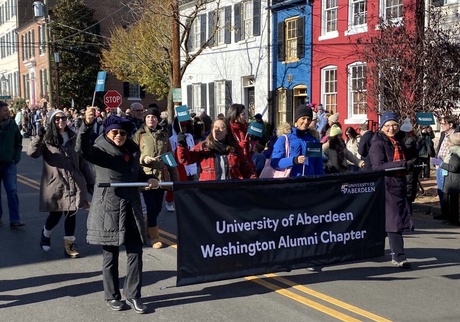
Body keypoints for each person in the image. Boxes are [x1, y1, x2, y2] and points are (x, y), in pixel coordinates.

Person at [76, 108, 159, 314]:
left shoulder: (132, 149)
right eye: (115, 132)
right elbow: (82, 149)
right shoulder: (100, 149)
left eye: (122, 133)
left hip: (131, 205)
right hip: (108, 207)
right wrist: (86, 125)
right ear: (108, 132)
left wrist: (148, 178)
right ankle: (112, 296)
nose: (119, 136)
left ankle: (133, 295)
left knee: (135, 251)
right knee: (110, 254)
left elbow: (136, 172)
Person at [27, 109, 94, 258]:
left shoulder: (73, 136)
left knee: (71, 213)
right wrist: (39, 135)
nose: (60, 121)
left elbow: (82, 161)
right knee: (55, 215)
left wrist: (90, 181)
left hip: (74, 182)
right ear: (51, 121)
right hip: (56, 183)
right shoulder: (46, 139)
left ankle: (69, 246)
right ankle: (45, 234)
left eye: (63, 118)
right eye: (56, 119)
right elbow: (32, 153)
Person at [368, 111, 416, 269]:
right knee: (394, 221)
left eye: (394, 125)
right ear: (382, 127)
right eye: (387, 125)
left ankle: (371, 249)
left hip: (399, 183)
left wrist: (414, 148)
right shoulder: (377, 143)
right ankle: (399, 256)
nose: (391, 128)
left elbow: (406, 157)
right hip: (386, 185)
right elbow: (377, 166)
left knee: (387, 220)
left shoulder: (397, 141)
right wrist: (402, 164)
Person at [133, 107, 179, 249]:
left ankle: (148, 225)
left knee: (158, 206)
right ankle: (154, 236)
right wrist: (144, 158)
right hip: (146, 175)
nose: (150, 119)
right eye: (148, 117)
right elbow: (133, 154)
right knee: (151, 206)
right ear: (144, 120)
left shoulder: (164, 136)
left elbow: (170, 158)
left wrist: (175, 180)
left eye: (153, 117)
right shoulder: (139, 135)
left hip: (161, 177)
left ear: (158, 119)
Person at [176, 117, 257, 180]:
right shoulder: (203, 147)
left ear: (227, 131)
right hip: (209, 194)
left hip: (231, 193)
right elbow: (185, 159)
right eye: (214, 127)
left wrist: (254, 186)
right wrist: (182, 145)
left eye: (221, 127)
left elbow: (247, 170)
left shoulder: (236, 149)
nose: (216, 130)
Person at [270, 105, 324, 176]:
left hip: (309, 184)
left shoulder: (313, 140)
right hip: (290, 184)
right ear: (297, 119)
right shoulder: (284, 139)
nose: (306, 122)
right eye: (303, 118)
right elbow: (275, 163)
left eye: (309, 119)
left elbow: (318, 166)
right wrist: (294, 160)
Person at [0, 101, 24, 228]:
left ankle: (15, 219)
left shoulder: (12, 125)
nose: (7, 113)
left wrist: (16, 157)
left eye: (7, 110)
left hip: (9, 164)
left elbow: (18, 143)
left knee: (12, 191)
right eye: (4, 111)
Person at [166, 117, 198, 209]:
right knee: (176, 184)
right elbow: (170, 153)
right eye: (181, 126)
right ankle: (169, 201)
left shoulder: (190, 136)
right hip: (179, 166)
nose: (183, 128)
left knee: (190, 184)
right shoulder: (172, 139)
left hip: (190, 165)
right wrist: (171, 167)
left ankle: (188, 202)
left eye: (185, 126)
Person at [434, 115, 458, 220]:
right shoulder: (444, 134)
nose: (442, 125)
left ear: (451, 124)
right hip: (439, 165)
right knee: (440, 189)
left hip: (447, 166)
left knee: (447, 191)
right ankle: (444, 212)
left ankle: (449, 214)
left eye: (443, 124)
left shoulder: (456, 136)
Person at [439, 133, 460, 225]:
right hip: (451, 180)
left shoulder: (456, 154)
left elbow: (454, 167)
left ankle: (454, 220)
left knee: (454, 202)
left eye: (449, 141)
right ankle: (450, 218)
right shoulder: (453, 152)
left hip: (454, 181)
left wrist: (441, 164)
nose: (447, 143)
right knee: (451, 201)